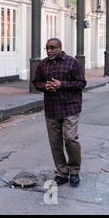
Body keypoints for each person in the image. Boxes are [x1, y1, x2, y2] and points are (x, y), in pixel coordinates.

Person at [33, 38, 86, 187]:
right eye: (47, 48)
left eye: (52, 47)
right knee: (55, 142)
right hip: (51, 108)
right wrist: (46, 86)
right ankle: (61, 172)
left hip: (70, 107)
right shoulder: (43, 64)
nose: (49, 50)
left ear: (60, 48)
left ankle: (74, 170)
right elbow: (36, 82)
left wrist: (61, 85)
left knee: (70, 138)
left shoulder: (72, 62)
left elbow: (81, 83)